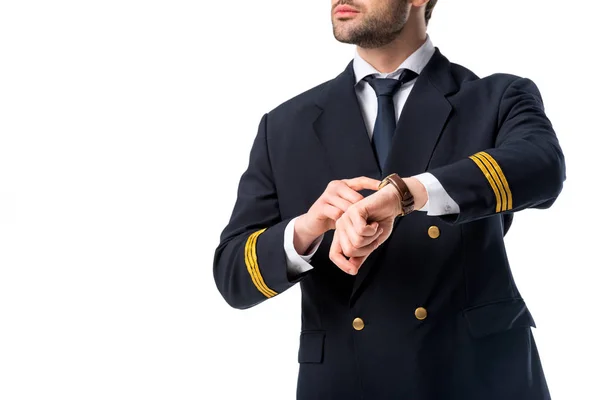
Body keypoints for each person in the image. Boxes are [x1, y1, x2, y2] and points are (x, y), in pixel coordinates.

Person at [213, 0, 566, 398]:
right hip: (346, 384)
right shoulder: (284, 125)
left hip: (476, 378)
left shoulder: (496, 96)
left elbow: (543, 166)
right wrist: (306, 231)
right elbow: (232, 276)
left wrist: (407, 194)